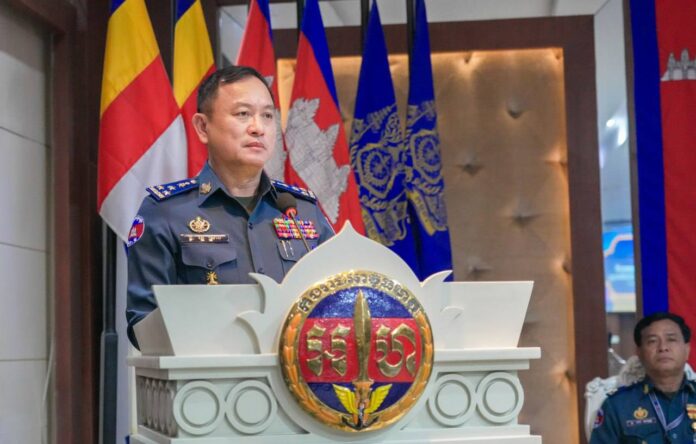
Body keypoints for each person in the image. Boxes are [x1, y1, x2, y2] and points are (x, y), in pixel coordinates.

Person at [126, 66, 334, 348]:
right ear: (203, 127)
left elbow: (338, 302)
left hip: (294, 373)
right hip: (206, 373)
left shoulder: (301, 210)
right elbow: (143, 324)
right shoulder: (166, 212)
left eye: (267, 115)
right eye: (243, 114)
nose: (258, 127)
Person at [590, 312, 696, 443]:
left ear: (687, 349)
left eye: (671, 339)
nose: (663, 347)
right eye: (652, 341)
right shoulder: (617, 405)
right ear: (639, 353)